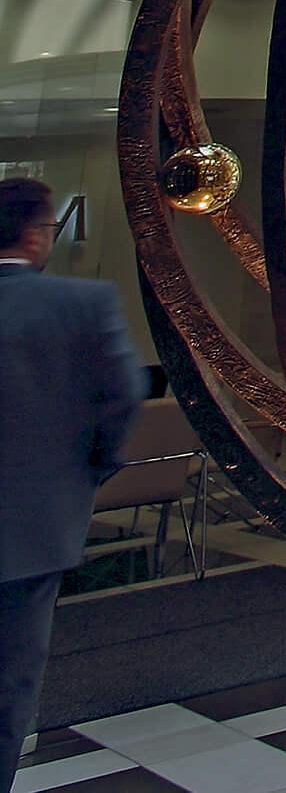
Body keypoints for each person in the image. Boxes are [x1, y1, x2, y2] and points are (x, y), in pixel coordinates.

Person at [0, 178, 145, 792]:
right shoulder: (82, 305)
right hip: (36, 530)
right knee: (10, 686)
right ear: (36, 236)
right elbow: (124, 396)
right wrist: (86, 470)